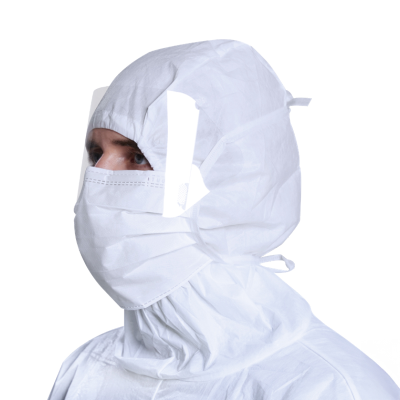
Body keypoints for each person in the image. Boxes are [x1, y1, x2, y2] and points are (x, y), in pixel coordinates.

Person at [48, 39, 400, 399]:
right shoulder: (88, 369)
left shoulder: (330, 388)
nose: (97, 180)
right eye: (96, 154)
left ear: (235, 182)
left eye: (138, 156)